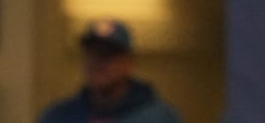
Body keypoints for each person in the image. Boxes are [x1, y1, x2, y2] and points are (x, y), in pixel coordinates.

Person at [36, 18, 183, 123]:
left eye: (107, 55)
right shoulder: (58, 117)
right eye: (92, 54)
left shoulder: (160, 118)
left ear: (129, 63)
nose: (98, 63)